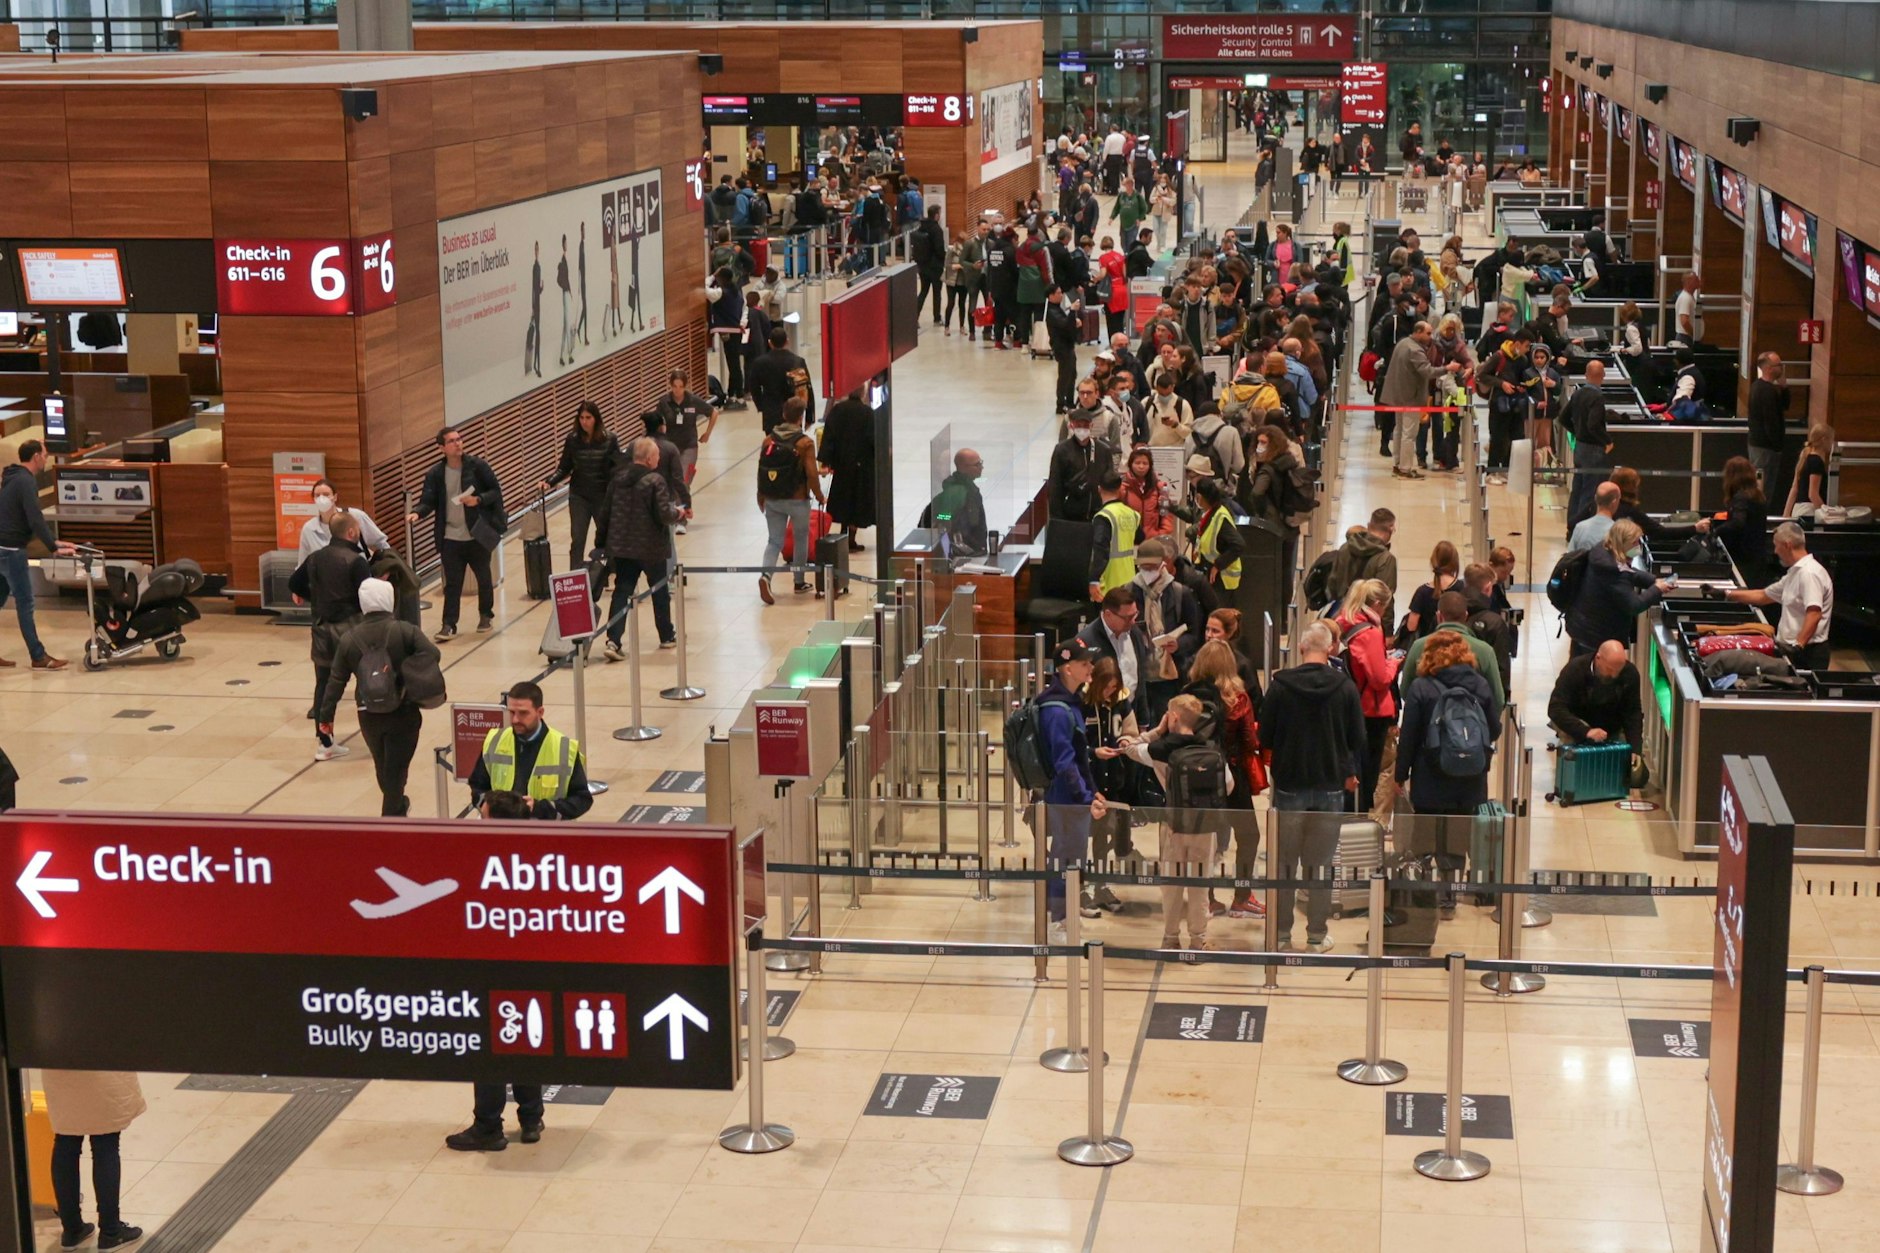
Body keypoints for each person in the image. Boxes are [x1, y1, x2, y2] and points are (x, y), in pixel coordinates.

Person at [1262, 620, 1366, 953]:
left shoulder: (1280, 686)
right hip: (1330, 784)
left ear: (1302, 649)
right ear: (1330, 649)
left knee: (1284, 863)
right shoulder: (1345, 687)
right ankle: (1317, 935)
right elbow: (1358, 739)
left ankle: (1280, 935)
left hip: (1290, 783)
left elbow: (1265, 736)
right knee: (1320, 864)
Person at [316, 577, 442, 815]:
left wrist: (326, 717)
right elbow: (433, 654)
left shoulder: (349, 639)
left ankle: (396, 810)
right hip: (403, 711)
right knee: (396, 772)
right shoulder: (405, 631)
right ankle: (391, 821)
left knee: (384, 770)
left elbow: (335, 681)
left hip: (368, 714)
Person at [1114, 694, 1230, 950]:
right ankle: (1198, 942)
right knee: (1199, 886)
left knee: (1172, 885)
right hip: (1204, 826)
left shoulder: (1161, 749)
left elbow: (1129, 747)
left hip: (1173, 825)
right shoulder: (1210, 749)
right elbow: (1229, 785)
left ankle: (1170, 939)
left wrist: (1156, 731)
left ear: (1173, 717)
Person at [1391, 632, 1500, 898]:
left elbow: (1410, 735)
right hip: (1470, 777)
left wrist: (1400, 773)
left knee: (1425, 834)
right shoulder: (1481, 685)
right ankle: (1450, 895)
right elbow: (1494, 729)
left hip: (1430, 775)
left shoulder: (1421, 687)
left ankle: (1425, 895)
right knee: (1457, 836)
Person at [1036, 639, 1107, 942]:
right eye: (1084, 663)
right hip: (1064, 797)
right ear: (1067, 668)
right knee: (1065, 854)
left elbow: (1080, 754)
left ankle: (1069, 906)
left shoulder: (1070, 702)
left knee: (1074, 853)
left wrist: (1093, 790)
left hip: (1075, 794)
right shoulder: (1056, 710)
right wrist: (1084, 797)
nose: (1091, 668)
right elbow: (1065, 763)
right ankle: (1057, 919)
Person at [289, 510, 371, 762]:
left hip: (322, 630)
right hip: (352, 631)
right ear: (351, 532)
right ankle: (374, 736)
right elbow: (366, 595)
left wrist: (319, 598)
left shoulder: (315, 558)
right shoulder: (356, 561)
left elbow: (295, 583)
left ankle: (324, 742)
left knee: (324, 685)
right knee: (365, 682)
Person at [595, 436, 686, 658]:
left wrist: (601, 542)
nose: (658, 458)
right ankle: (666, 636)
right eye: (656, 455)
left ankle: (613, 640)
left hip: (623, 547)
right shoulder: (655, 481)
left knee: (622, 591)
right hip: (651, 547)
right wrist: (679, 513)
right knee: (659, 590)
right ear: (647, 459)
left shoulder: (617, 480)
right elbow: (664, 514)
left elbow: (604, 513)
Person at [410, 427, 503, 641]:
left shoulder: (477, 467)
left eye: (459, 439)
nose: (458, 443)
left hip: (476, 533)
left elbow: (495, 492)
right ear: (442, 448)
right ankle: (449, 624)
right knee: (452, 583)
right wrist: (417, 513)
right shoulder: (435, 474)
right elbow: (428, 500)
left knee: (483, 577)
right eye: (452, 441)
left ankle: (485, 615)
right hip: (450, 537)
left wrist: (477, 500)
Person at [44, 1069, 146, 1250]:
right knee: (105, 1141)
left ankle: (72, 1229)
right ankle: (111, 1231)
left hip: (58, 1062)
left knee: (65, 1140)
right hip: (98, 1061)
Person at [469, 680, 593, 823]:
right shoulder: (495, 740)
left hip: (547, 836)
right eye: (512, 712)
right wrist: (488, 806)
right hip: (502, 831)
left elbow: (582, 799)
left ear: (540, 712)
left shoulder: (564, 748)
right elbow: (477, 786)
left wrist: (540, 808)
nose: (515, 719)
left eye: (523, 713)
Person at [1718, 521, 1834, 671]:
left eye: (1776, 545)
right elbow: (1763, 596)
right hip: (1795, 650)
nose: (1775, 551)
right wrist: (1725, 594)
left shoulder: (1809, 574)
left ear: (1787, 545)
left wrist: (1798, 645)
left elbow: (1814, 614)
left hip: (1807, 654)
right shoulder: (1795, 573)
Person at [1333, 579, 1400, 810]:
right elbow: (1380, 679)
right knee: (1366, 775)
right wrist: (1393, 663)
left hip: (1347, 705)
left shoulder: (1341, 622)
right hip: (1370, 711)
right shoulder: (1369, 632)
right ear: (1378, 604)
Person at [1566, 520, 1672, 658]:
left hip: (1583, 627)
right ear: (1623, 543)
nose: (1638, 546)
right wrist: (1657, 589)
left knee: (1578, 672)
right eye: (1635, 542)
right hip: (1598, 637)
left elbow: (1628, 572)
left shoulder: (1602, 550)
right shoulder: (1613, 570)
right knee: (1598, 675)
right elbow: (1634, 605)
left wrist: (1652, 580)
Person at [537, 400, 622, 569]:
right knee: (577, 538)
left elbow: (617, 467)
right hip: (579, 496)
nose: (584, 421)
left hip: (602, 496)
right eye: (581, 417)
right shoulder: (572, 439)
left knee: (604, 537)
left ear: (596, 418)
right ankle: (575, 576)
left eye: (588, 417)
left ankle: (605, 574)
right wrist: (549, 482)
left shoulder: (610, 439)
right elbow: (564, 467)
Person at [755, 397, 825, 604]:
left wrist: (761, 494)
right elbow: (811, 474)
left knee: (774, 540)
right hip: (797, 499)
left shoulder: (769, 440)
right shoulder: (804, 443)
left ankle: (765, 576)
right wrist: (819, 495)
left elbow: (761, 469)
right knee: (801, 538)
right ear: (801, 418)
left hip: (773, 498)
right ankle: (799, 580)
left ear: (784, 415)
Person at [1403, 589, 1507, 714]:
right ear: (1466, 616)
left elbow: (1406, 691)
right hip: (1470, 728)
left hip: (1428, 725)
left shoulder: (1419, 646)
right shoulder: (1484, 651)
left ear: (1439, 616)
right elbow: (1497, 699)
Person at [1381, 320, 1463, 479]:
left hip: (1398, 394)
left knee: (1399, 430)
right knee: (1409, 433)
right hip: (1410, 397)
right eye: (1427, 333)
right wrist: (1447, 368)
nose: (1430, 336)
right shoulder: (1415, 350)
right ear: (1417, 332)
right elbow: (1427, 371)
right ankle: (1405, 469)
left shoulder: (1403, 343)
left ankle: (1397, 465)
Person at [1548, 641, 1643, 752]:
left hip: (1612, 725)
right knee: (1575, 752)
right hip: (1577, 721)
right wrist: (1586, 731)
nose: (1613, 675)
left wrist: (1635, 749)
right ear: (1598, 658)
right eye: (1609, 670)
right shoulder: (1575, 669)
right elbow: (1555, 708)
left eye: (1618, 671)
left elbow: (1633, 713)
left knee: (1624, 756)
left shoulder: (1629, 673)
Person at [1696, 456, 1773, 584]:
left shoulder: (1740, 497)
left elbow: (1738, 522)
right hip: (1757, 554)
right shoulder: (1758, 496)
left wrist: (1716, 532)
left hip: (1742, 557)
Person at [818, 385, 876, 554]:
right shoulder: (868, 414)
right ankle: (850, 537)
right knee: (857, 503)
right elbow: (873, 440)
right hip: (861, 467)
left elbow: (829, 436)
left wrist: (826, 462)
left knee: (843, 500)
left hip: (841, 465)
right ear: (863, 394)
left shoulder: (837, 411)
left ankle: (842, 534)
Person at [1560, 359, 1613, 528]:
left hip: (1580, 448)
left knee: (1578, 488)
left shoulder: (1578, 393)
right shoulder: (1597, 396)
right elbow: (1593, 424)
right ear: (1602, 376)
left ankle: (1571, 526)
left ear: (1586, 374)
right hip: (1593, 450)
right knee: (1590, 492)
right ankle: (1581, 528)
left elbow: (1563, 418)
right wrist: (1607, 441)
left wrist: (1577, 432)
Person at [296, 478, 392, 564]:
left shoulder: (355, 516)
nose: (321, 498)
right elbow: (303, 563)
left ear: (335, 497)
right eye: (317, 495)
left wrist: (386, 568)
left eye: (326, 494)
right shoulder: (309, 528)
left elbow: (382, 543)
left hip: (358, 577)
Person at [1325, 508, 1398, 615]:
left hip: (1341, 616)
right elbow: (1385, 601)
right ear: (1391, 529)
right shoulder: (1386, 559)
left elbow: (1332, 584)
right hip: (1367, 623)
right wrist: (1386, 630)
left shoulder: (1345, 547)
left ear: (1368, 526)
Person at [1047, 407, 1114, 522]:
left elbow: (1109, 482)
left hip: (1098, 516)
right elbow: (1055, 486)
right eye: (1079, 425)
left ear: (1091, 426)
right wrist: (1057, 518)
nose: (1082, 429)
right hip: (1070, 516)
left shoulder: (1103, 450)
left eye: (1085, 425)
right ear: (1072, 426)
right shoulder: (1062, 450)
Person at [656, 369, 718, 491]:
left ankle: (683, 507)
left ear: (685, 386)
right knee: (670, 483)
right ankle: (677, 508)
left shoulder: (693, 400)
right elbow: (656, 420)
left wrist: (707, 433)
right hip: (671, 447)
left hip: (689, 446)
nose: (677, 390)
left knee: (683, 482)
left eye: (680, 386)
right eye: (674, 386)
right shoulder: (664, 402)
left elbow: (713, 412)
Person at [747, 326, 814, 436]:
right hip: (794, 412)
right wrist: (809, 416)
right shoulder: (797, 362)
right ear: (787, 341)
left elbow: (754, 388)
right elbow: (806, 389)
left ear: (770, 343)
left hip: (770, 412)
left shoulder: (759, 363)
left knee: (772, 445)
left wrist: (762, 406)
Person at [922, 448, 989, 556]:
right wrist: (948, 520)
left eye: (981, 463)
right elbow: (942, 517)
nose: (981, 467)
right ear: (963, 468)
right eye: (977, 465)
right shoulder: (957, 492)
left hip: (973, 550)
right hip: (963, 553)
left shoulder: (968, 489)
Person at [1087, 471, 1141, 599]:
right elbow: (1140, 538)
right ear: (1120, 489)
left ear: (1099, 489)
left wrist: (1094, 579)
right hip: (1129, 577)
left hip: (1109, 581)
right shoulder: (1132, 514)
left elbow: (1100, 549)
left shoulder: (1103, 516)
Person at [1746, 351, 1791, 491]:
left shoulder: (1760, 387)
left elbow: (1785, 406)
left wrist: (1784, 388)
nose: (1782, 368)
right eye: (1779, 365)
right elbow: (1770, 422)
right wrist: (1777, 446)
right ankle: (1760, 512)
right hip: (1765, 448)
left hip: (1760, 445)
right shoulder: (1765, 391)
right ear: (1769, 368)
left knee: (1762, 486)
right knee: (1763, 487)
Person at [1401, 541, 1460, 644]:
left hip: (1428, 646)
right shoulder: (1462, 588)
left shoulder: (1422, 592)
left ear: (1433, 561)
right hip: (1457, 644)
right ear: (1455, 562)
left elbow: (1411, 626)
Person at [1120, 447, 1172, 539]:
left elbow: (1165, 514)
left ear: (1150, 465)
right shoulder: (1123, 487)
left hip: (1153, 539)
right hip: (1128, 539)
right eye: (1137, 463)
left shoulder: (1160, 488)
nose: (1141, 466)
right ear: (1130, 464)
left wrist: (1162, 533)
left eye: (1145, 463)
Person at [1785, 424, 1834, 518]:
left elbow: (1794, 489)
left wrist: (1786, 513)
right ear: (1824, 440)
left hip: (1798, 508)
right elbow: (1813, 494)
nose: (1832, 443)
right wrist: (1826, 514)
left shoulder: (1805, 458)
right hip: (1809, 510)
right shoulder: (1817, 462)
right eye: (1831, 440)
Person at [912, 204, 946, 323]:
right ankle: (937, 317)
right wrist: (944, 257)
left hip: (923, 265)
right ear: (936, 215)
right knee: (937, 293)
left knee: (923, 291)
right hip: (935, 266)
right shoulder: (936, 229)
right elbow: (939, 248)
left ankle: (914, 317)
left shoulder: (921, 227)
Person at [1568, 481, 1622, 554]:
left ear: (1595, 498)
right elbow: (1632, 555)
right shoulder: (1619, 532)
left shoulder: (1580, 528)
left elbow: (1569, 556)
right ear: (1614, 502)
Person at [1672, 271, 1704, 346]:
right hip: (1686, 338)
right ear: (1689, 282)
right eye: (1696, 279)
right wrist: (1694, 334)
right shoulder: (1685, 298)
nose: (1699, 281)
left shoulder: (1689, 297)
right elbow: (1684, 321)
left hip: (1687, 337)